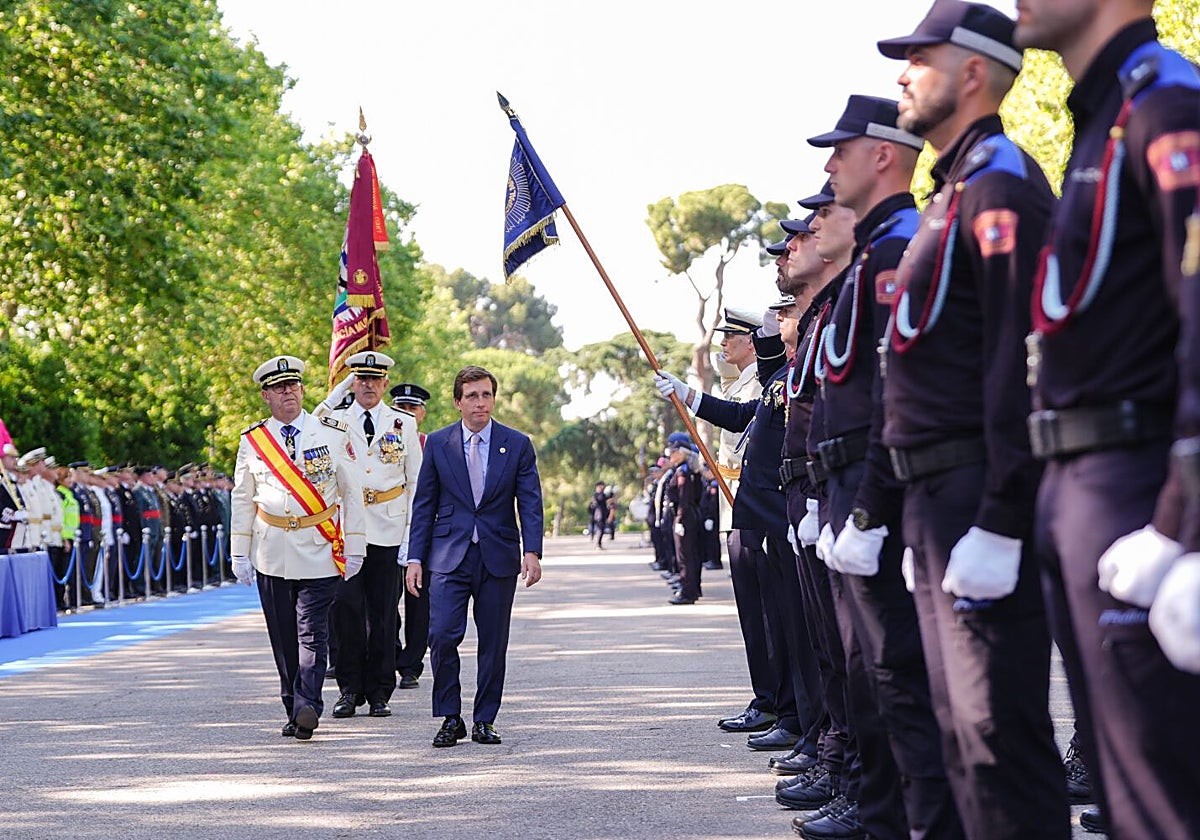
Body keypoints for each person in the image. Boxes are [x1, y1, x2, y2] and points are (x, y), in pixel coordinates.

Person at [874, 3, 1069, 836]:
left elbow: (1019, 357)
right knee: (959, 739)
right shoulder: (956, 188)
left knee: (998, 742)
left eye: (920, 57)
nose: (902, 73)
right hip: (934, 497)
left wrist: (1001, 514)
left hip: (975, 491)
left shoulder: (1001, 183)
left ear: (974, 73)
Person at [1012, 2, 1200, 836]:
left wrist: (1184, 526)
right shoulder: (1101, 119)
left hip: (1140, 483)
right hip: (1081, 483)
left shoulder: (1165, 102)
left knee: (1164, 803)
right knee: (1122, 799)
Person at [808, 94, 962, 839]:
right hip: (848, 485)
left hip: (884, 489)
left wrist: (867, 506)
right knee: (875, 680)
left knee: (899, 684)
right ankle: (880, 817)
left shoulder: (901, 245)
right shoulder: (878, 250)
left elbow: (897, 389)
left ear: (882, 155)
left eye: (841, 149)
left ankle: (897, 822)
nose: (830, 164)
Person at [405, 365, 544, 748]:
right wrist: (415, 558)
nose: (479, 403)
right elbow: (424, 505)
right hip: (448, 555)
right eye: (472, 396)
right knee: (442, 635)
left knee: (493, 641)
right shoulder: (437, 443)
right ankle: (451, 717)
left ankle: (485, 719)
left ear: (493, 399)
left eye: (485, 395)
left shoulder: (516, 444)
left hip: (498, 556)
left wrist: (532, 551)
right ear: (457, 402)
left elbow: (530, 501)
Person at [229, 354, 366, 741]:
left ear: (302, 390)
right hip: (272, 549)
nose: (287, 392)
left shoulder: (332, 432)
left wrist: (355, 547)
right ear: (266, 396)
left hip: (319, 546)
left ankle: (308, 704)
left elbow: (351, 494)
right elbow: (243, 498)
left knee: (312, 632)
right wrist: (239, 551)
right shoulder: (253, 441)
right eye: (278, 387)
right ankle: (293, 704)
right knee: (283, 636)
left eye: (292, 385)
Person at [316, 351, 421, 720]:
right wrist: (338, 388)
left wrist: (411, 537)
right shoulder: (337, 420)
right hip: (348, 529)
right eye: (361, 379)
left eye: (375, 380)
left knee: (383, 612)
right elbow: (312, 422)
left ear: (385, 383)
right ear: (353, 383)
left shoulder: (402, 422)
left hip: (389, 525)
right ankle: (349, 688)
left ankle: (379, 691)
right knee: (345, 610)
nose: (369, 386)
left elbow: (415, 483)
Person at [391, 381, 432, 690]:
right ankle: (389, 654)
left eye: (411, 408)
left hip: (422, 536)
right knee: (385, 603)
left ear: (422, 413)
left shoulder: (432, 445)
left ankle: (411, 664)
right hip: (389, 532)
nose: (406, 413)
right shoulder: (382, 443)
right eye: (400, 408)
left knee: (419, 604)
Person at [589, 481, 609, 548]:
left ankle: (599, 543)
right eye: (602, 485)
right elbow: (600, 500)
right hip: (599, 514)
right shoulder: (597, 495)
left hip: (602, 514)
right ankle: (598, 543)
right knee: (601, 528)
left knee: (602, 529)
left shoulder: (601, 494)